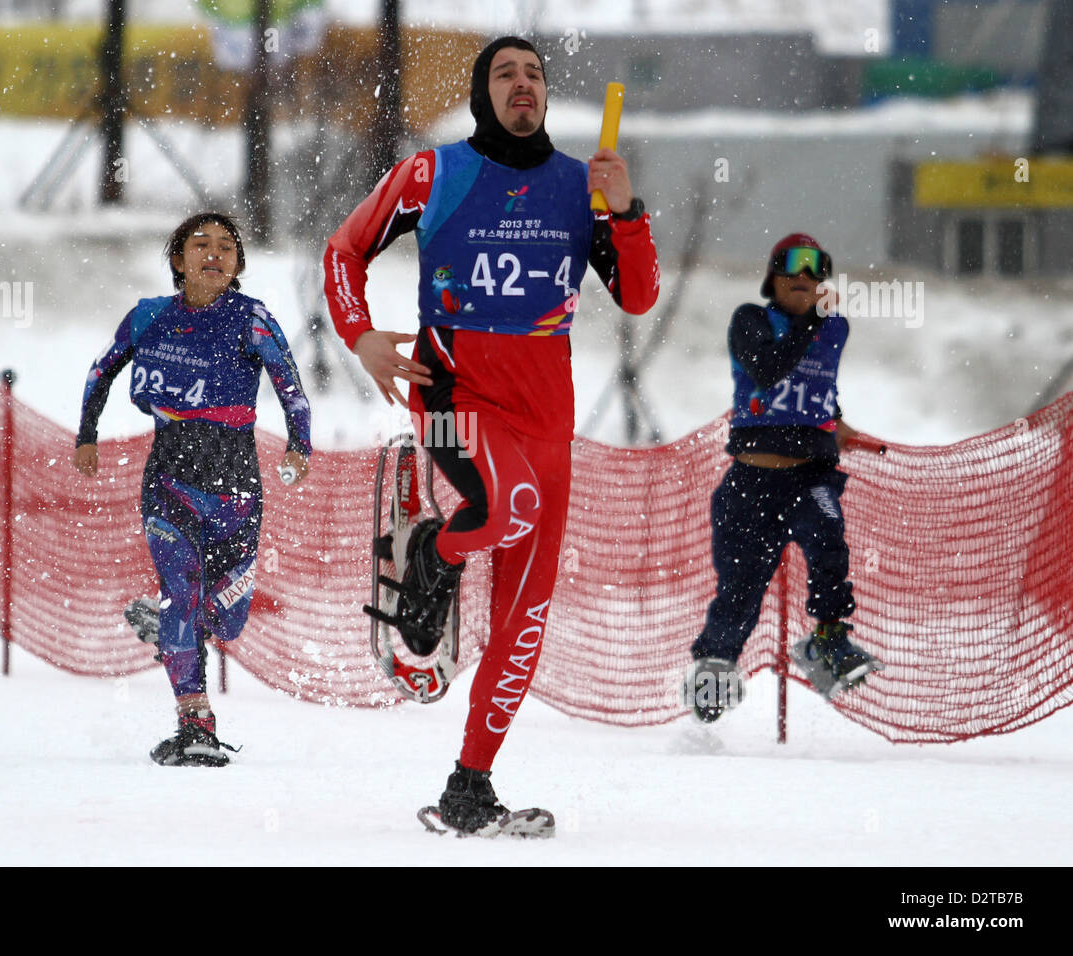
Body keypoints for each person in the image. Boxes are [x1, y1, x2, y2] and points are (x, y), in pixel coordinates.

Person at [323, 37, 659, 832]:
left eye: (534, 75)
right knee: (507, 508)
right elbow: (345, 250)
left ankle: (468, 787)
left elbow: (639, 298)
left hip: (547, 419)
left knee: (526, 616)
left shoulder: (584, 185)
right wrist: (361, 334)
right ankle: (430, 556)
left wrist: (629, 211)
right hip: (454, 397)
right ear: (482, 93)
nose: (522, 86)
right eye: (505, 74)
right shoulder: (431, 173)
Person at [74, 212, 312, 765]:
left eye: (227, 247)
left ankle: (169, 630)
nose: (214, 253)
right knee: (182, 592)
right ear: (178, 261)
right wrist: (87, 434)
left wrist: (301, 445)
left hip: (236, 486)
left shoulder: (253, 321)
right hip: (170, 479)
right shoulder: (149, 317)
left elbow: (291, 386)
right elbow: (100, 371)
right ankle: (195, 723)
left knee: (227, 617)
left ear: (238, 265)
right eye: (199, 245)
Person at [684, 233, 881, 722]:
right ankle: (713, 675)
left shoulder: (835, 328)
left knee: (830, 548)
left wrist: (837, 422)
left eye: (816, 270)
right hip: (750, 484)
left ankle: (827, 644)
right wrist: (810, 321)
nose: (803, 278)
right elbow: (769, 370)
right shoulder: (751, 320)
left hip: (809, 476)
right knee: (740, 592)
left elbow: (819, 387)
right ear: (772, 277)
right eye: (791, 268)